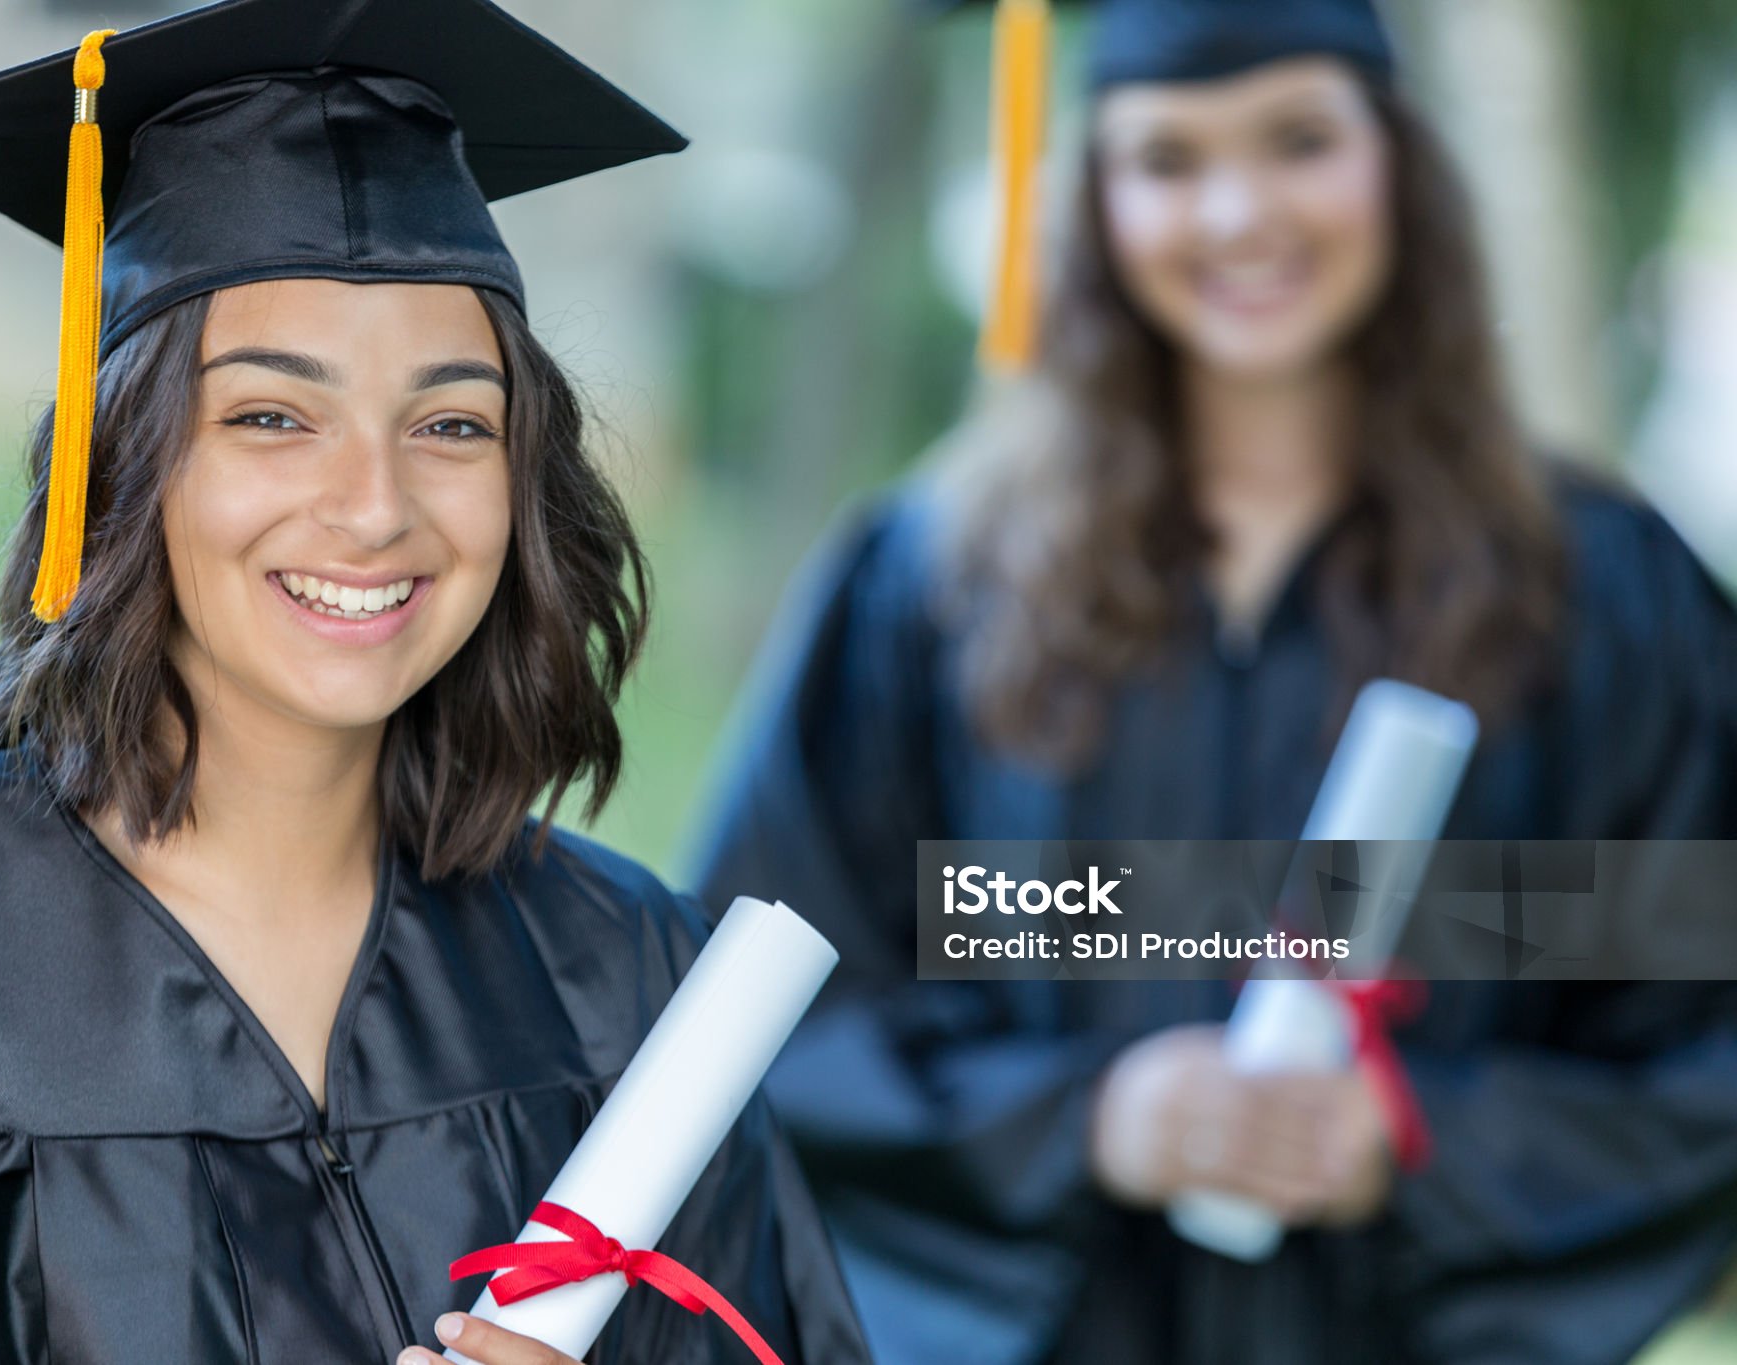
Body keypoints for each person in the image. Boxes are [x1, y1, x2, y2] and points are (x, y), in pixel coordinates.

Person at [0, 3, 872, 1363]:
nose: (374, 506)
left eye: (450, 424)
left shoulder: (629, 984)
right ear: (123, 456)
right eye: (270, 415)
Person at [686, 0, 1737, 1361]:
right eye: (1169, 159)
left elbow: (1702, 1026)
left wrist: (1422, 1140)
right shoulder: (930, 585)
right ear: (1093, 200)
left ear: (1399, 163)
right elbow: (762, 1014)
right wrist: (1084, 1118)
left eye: (1300, 140)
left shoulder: (1602, 590)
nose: (1239, 213)